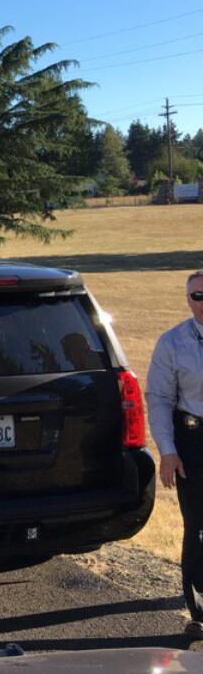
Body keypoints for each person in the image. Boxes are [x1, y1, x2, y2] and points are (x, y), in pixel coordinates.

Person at [147, 269, 203, 639]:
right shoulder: (173, 343)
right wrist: (167, 452)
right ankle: (198, 610)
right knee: (197, 527)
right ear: (188, 300)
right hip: (195, 442)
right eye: (197, 296)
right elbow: (160, 400)